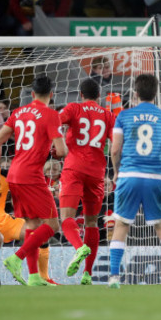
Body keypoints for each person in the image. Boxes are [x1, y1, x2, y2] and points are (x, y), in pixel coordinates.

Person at [107, 74, 161, 289]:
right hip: (155, 178)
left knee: (122, 225)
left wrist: (116, 172)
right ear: (156, 93)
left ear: (136, 93)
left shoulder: (123, 116)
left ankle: (114, 278)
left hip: (129, 176)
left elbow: (115, 149)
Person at [0, 75, 68, 286]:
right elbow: (61, 151)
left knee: (32, 224)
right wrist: (55, 148)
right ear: (51, 95)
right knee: (53, 225)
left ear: (32, 94)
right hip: (32, 176)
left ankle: (34, 277)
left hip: (14, 174)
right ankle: (16, 258)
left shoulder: (18, 112)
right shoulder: (51, 114)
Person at [58, 78, 115, 285]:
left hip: (74, 168)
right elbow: (117, 142)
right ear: (99, 96)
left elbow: (55, 121)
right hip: (97, 173)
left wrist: (56, 144)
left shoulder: (73, 108)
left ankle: (79, 247)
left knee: (66, 218)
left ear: (81, 94)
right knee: (92, 222)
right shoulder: (108, 115)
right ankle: (87, 274)